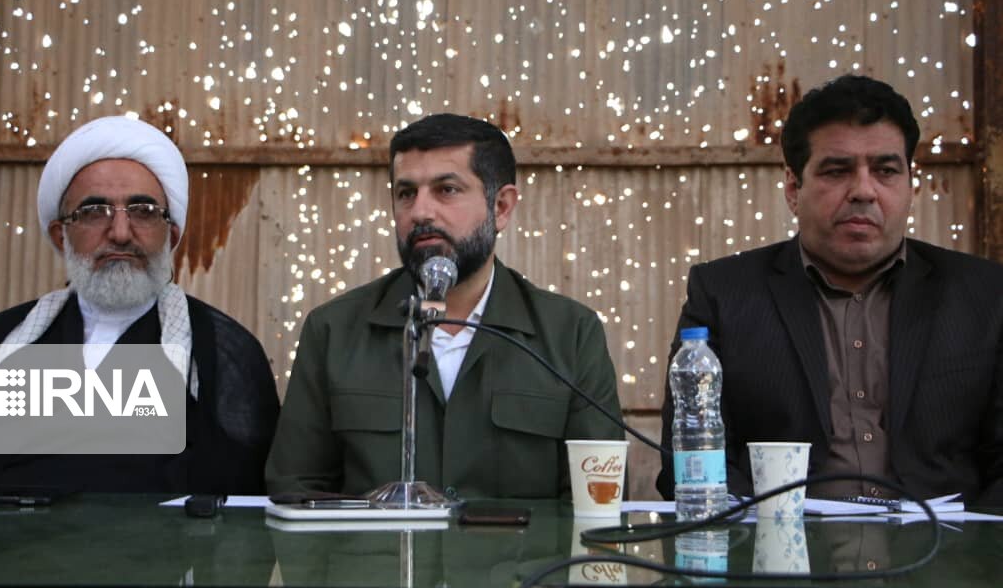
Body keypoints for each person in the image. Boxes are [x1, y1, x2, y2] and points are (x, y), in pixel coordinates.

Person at [657, 74, 1003, 505]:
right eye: (837, 171)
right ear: (793, 188)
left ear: (911, 186)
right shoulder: (725, 294)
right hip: (778, 541)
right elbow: (692, 460)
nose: (863, 191)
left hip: (947, 541)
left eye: (885, 171)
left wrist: (976, 545)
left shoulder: (985, 295)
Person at [265, 113, 623, 499]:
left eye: (446, 190)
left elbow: (596, 502)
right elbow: (295, 489)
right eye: (406, 193)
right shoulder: (334, 331)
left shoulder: (570, 334)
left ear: (501, 207)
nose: (420, 212)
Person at [0, 116, 279, 494]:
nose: (121, 233)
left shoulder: (222, 352)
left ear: (171, 236)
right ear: (61, 236)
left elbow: (248, 498)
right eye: (94, 212)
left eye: (143, 211)